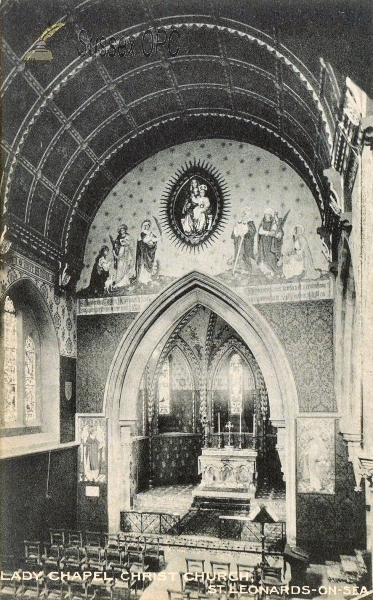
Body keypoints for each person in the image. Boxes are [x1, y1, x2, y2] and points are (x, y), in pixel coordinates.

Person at [131, 220, 159, 285]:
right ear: (143, 226)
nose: (146, 226)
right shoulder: (142, 233)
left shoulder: (151, 233)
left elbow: (153, 241)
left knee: (149, 264)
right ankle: (142, 279)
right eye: (145, 225)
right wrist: (153, 239)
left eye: (148, 225)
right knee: (143, 265)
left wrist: (156, 239)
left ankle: (147, 278)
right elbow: (146, 240)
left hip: (148, 252)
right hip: (143, 252)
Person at [257, 208, 283, 277]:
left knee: (270, 256)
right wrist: (262, 233)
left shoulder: (273, 223)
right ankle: (266, 271)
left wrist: (266, 232)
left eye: (268, 214)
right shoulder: (262, 222)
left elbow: (274, 233)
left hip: (270, 242)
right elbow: (259, 231)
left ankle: (274, 271)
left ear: (270, 215)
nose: (266, 215)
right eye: (265, 214)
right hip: (263, 242)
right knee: (263, 255)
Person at [231, 206, 257, 272]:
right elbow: (234, 232)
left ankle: (248, 269)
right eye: (242, 213)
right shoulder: (239, 221)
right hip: (239, 241)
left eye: (245, 213)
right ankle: (238, 268)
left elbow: (253, 231)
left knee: (246, 255)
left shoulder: (250, 222)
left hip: (246, 242)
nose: (243, 215)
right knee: (238, 254)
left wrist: (246, 231)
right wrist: (236, 231)